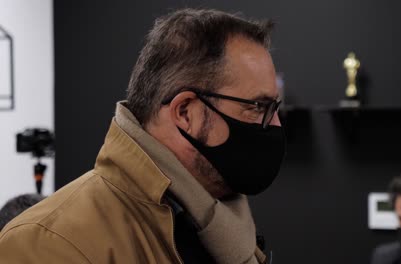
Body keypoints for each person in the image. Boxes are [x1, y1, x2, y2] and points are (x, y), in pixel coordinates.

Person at [0, 8, 285, 264]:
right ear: (186, 112)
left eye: (274, 108)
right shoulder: (48, 246)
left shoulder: (223, 226)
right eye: (258, 107)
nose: (275, 124)